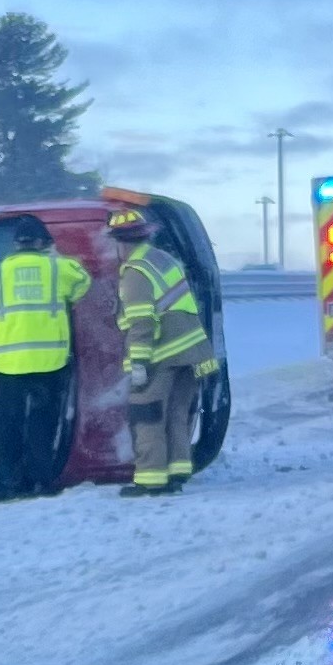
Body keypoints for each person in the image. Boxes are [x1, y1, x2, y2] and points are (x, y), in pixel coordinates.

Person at [0, 215, 92, 498]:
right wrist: (57, 256)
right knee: (42, 421)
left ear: (14, 245)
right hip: (49, 362)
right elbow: (83, 283)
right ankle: (41, 481)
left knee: (8, 422)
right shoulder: (56, 268)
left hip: (6, 364)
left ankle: (9, 481)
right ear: (43, 243)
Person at [108, 206, 219, 497]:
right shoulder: (164, 259)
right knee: (177, 412)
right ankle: (177, 472)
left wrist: (140, 364)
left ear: (121, 243)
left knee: (147, 415)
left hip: (163, 354)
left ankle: (151, 479)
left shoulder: (135, 272)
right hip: (193, 352)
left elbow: (142, 322)